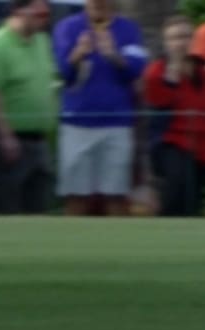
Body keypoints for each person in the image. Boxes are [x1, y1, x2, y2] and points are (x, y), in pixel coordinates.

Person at [52, 0, 148, 216]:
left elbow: (136, 69)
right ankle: (72, 246)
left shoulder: (128, 29)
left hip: (117, 124)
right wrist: (77, 54)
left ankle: (116, 246)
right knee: (76, 195)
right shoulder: (67, 27)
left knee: (115, 194)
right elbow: (62, 72)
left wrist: (113, 55)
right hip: (76, 123)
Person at [0, 0, 57, 214]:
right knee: (9, 200)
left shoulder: (42, 41)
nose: (44, 20)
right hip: (12, 140)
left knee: (39, 202)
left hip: (39, 139)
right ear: (19, 11)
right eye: (39, 14)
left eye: (46, 15)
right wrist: (6, 135)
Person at [142, 15, 205, 216]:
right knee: (180, 183)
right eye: (175, 38)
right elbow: (159, 100)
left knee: (191, 199)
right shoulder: (156, 72)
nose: (181, 43)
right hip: (171, 143)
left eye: (186, 36)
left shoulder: (202, 73)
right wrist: (173, 75)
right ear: (166, 43)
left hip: (202, 146)